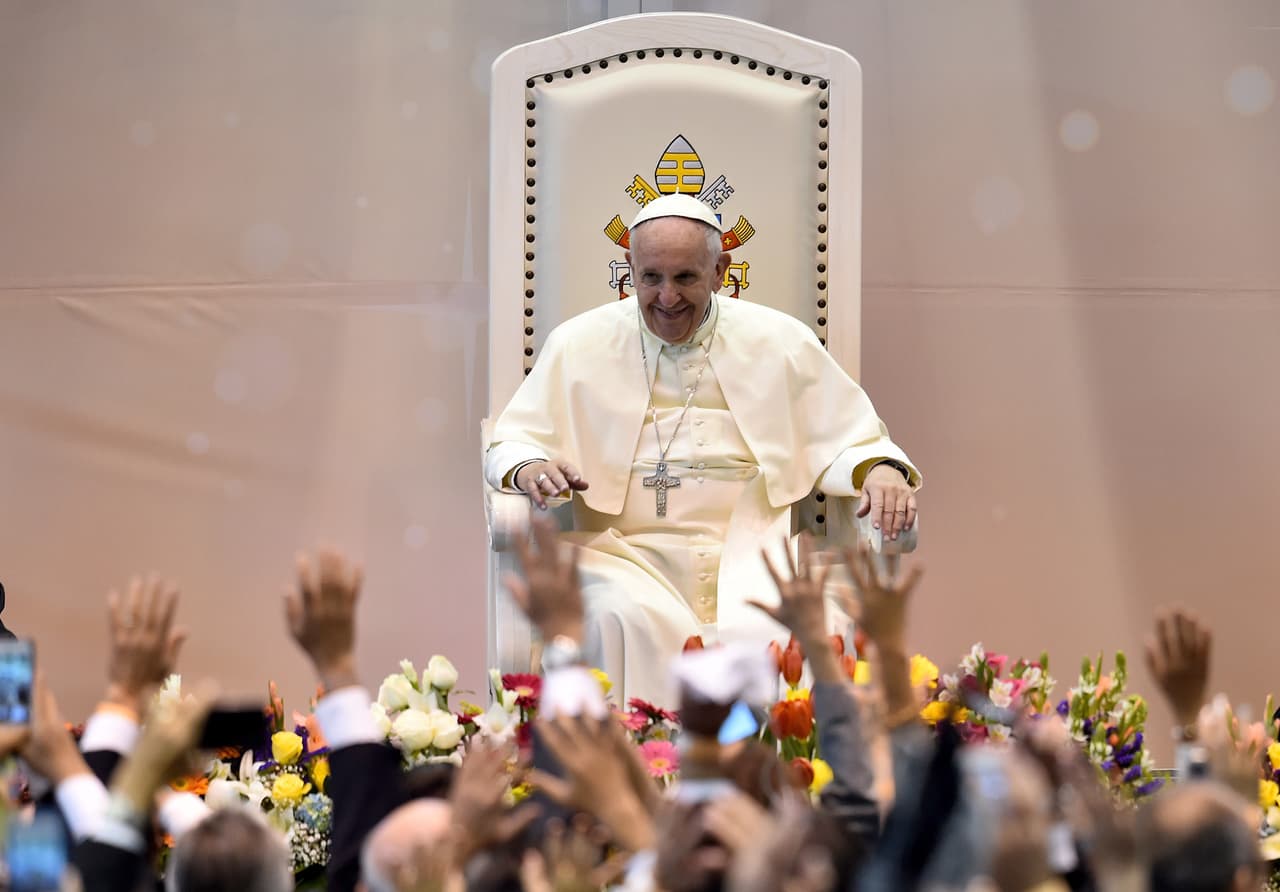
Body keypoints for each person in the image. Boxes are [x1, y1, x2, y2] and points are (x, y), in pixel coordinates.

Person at [484, 192, 922, 704]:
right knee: (615, 618)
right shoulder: (578, 343)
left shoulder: (780, 340)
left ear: (719, 271)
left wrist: (880, 470)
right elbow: (513, 440)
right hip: (625, 553)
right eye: (651, 277)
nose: (667, 297)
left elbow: (848, 436)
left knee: (794, 625)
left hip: (752, 552)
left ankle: (766, 757)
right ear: (630, 269)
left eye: (685, 278)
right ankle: (641, 752)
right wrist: (529, 466)